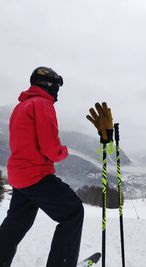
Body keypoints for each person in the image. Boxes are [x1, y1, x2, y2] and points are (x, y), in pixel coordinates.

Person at [0, 67, 84, 267]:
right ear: (47, 84)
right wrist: (63, 151)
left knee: (16, 224)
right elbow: (50, 148)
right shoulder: (43, 104)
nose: (57, 91)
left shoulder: (21, 107)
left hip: (19, 176)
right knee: (73, 213)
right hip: (36, 175)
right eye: (56, 86)